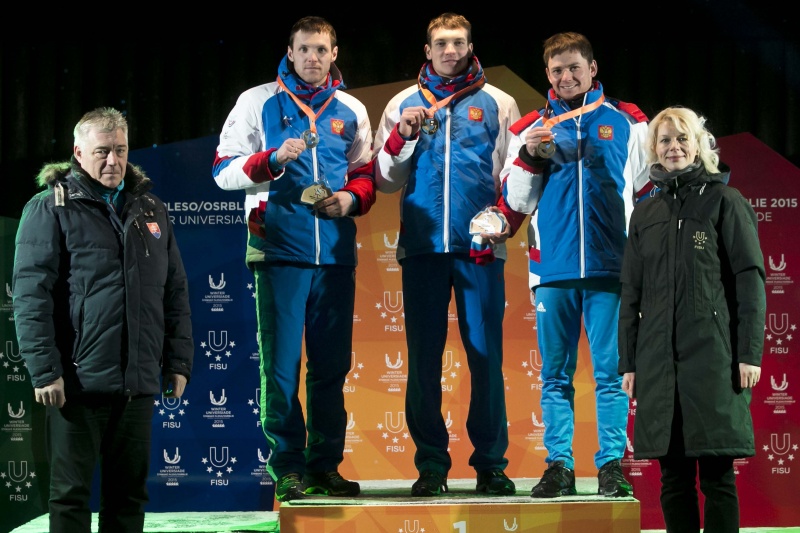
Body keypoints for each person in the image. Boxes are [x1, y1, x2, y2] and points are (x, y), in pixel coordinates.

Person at [212, 16, 375, 502]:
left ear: (334, 53)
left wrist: (349, 200)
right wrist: (271, 160)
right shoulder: (256, 101)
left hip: (335, 257)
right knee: (281, 368)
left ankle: (325, 466)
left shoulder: (350, 108)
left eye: (321, 50)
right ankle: (288, 467)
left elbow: (365, 174)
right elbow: (222, 170)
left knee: (330, 368)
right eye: (304, 49)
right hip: (278, 250)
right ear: (290, 50)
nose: (312, 58)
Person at [11, 107, 194, 533]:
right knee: (70, 498)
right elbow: (30, 296)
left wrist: (179, 362)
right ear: (78, 153)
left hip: (137, 384)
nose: (113, 161)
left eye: (121, 150)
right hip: (75, 384)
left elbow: (175, 292)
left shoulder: (151, 208)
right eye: (102, 152)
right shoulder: (48, 207)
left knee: (128, 499)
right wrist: (44, 372)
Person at [372, 12, 525, 497]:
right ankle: (431, 465)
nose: (450, 50)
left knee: (485, 359)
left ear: (471, 46)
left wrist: (498, 225)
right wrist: (405, 136)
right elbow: (384, 178)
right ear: (427, 50)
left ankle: (490, 465)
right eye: (441, 43)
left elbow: (512, 178)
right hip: (421, 250)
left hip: (479, 251)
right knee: (422, 362)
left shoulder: (499, 102)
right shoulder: (402, 103)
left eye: (458, 42)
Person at [502, 31, 651, 498]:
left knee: (611, 375)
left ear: (592, 68)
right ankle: (559, 466)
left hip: (613, 269)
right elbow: (515, 200)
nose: (566, 77)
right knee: (555, 376)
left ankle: (610, 466)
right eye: (557, 70)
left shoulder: (628, 122)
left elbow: (647, 196)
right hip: (554, 272)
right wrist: (529, 156)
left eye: (574, 67)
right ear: (547, 75)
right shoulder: (529, 127)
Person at [618, 106, 766, 532]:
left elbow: (749, 281)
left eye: (682, 138)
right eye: (665, 140)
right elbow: (631, 293)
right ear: (654, 150)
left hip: (715, 361)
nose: (674, 147)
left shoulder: (725, 201)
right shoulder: (645, 214)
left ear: (700, 145)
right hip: (659, 364)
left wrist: (749, 353)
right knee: (673, 478)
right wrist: (628, 361)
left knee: (718, 478)